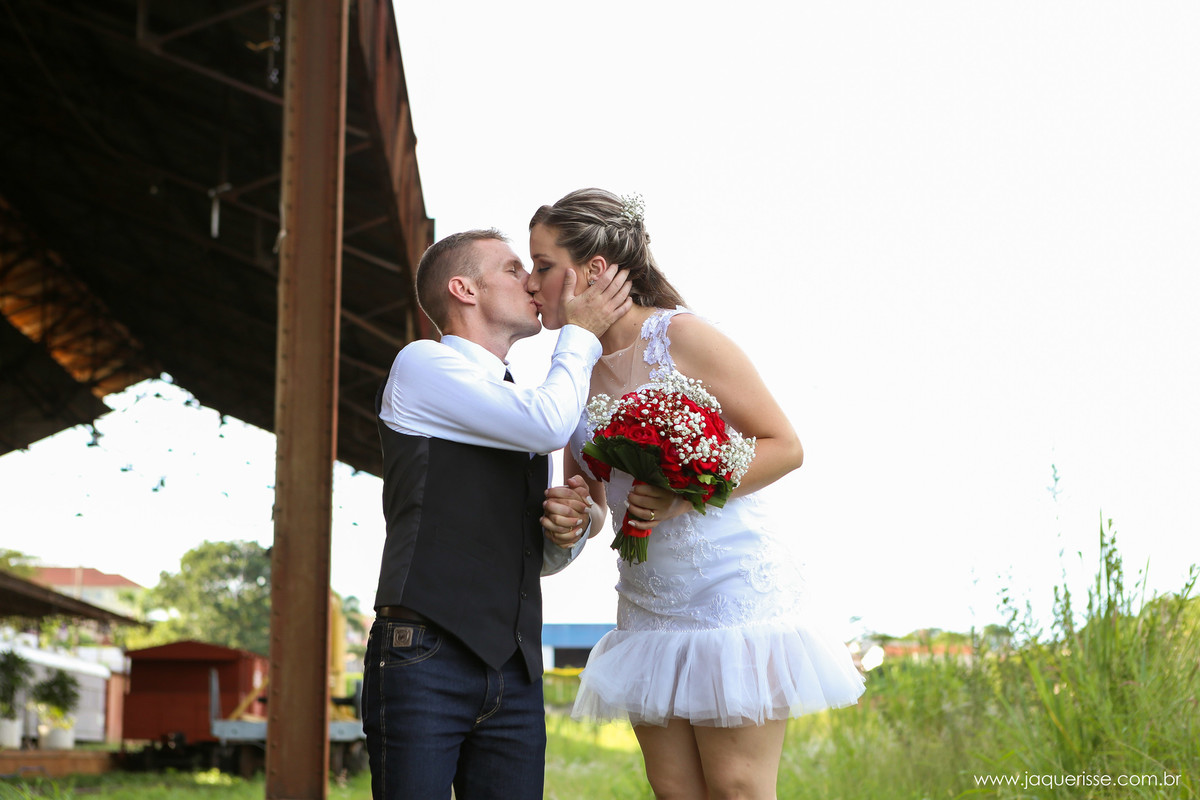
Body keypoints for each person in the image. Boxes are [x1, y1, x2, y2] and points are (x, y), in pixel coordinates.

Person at [529, 190, 866, 800]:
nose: (531, 282)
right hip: (648, 604)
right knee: (673, 789)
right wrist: (574, 516)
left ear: (594, 270)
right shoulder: (569, 372)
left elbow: (785, 445)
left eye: (543, 265)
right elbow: (596, 502)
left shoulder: (681, 337)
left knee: (737, 787)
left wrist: (682, 497)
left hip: (729, 593)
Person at [362, 228, 631, 800]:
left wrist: (568, 529)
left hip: (515, 667)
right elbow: (548, 424)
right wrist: (581, 334)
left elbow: (536, 558)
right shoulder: (421, 364)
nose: (532, 282)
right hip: (425, 655)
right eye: (512, 269)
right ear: (463, 289)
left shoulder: (518, 401)